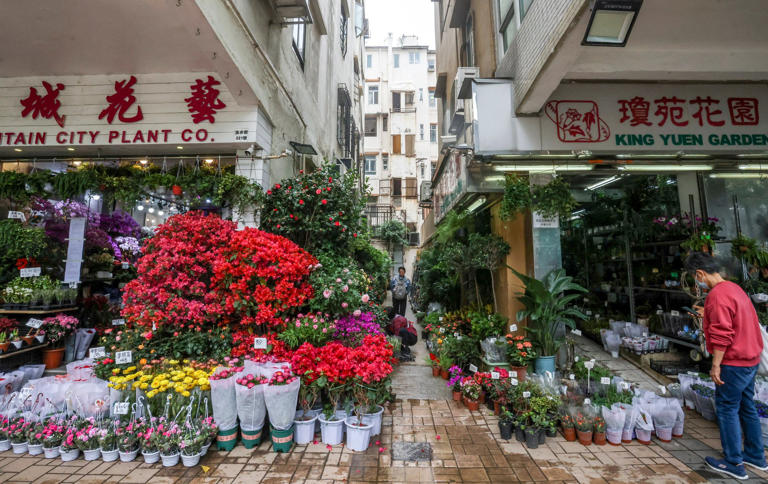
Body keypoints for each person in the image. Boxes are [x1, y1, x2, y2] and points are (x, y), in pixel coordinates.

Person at [685, 251, 767, 480]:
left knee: (727, 408)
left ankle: (733, 463)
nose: (696, 282)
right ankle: (756, 456)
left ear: (700, 273)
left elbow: (722, 334)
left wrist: (716, 365)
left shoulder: (717, 296)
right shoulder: (734, 289)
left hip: (734, 362)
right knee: (746, 406)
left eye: (695, 277)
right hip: (751, 359)